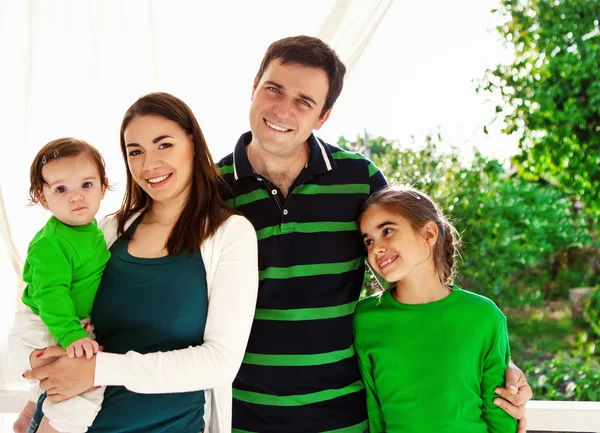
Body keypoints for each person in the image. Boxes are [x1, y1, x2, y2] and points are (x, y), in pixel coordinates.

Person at [216, 35, 532, 433]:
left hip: (344, 416)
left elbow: (416, 275)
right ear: (254, 87)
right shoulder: (210, 189)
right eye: (274, 89)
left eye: (304, 101)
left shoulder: (360, 178)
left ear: (323, 116)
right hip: (243, 414)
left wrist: (499, 363)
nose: (282, 108)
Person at [11, 92, 259, 433]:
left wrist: (99, 369)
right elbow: (58, 314)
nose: (149, 164)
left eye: (164, 145)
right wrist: (32, 401)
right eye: (135, 151)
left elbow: (220, 363)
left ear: (193, 143)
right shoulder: (108, 231)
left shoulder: (229, 235)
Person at [354, 186, 518, 433]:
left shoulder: (484, 315)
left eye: (387, 231)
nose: (375, 248)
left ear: (429, 234)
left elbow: (499, 412)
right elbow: (373, 413)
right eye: (368, 240)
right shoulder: (365, 319)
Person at [12, 138, 110, 433]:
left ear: (103, 186)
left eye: (87, 185)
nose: (76, 197)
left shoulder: (89, 228)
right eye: (61, 189)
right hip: (48, 321)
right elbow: (50, 293)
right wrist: (71, 335)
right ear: (43, 198)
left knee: (52, 378)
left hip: (63, 320)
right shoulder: (52, 243)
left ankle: (27, 418)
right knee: (84, 391)